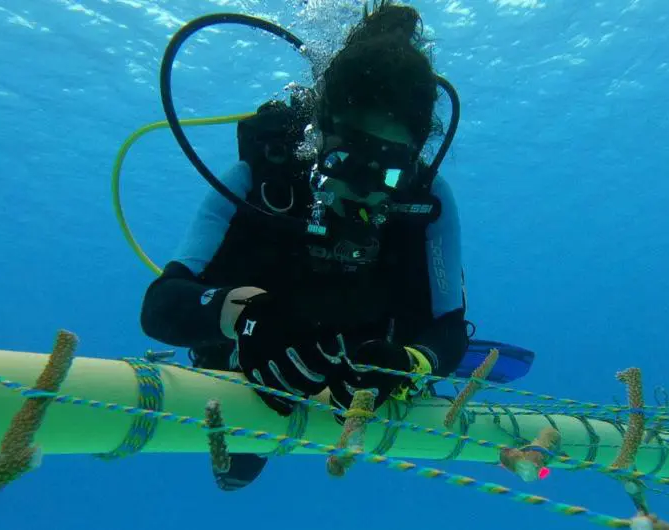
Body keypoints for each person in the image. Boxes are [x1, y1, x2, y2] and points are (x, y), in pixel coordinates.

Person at [140, 1, 467, 492]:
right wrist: (241, 312)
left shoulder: (429, 203)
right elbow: (162, 305)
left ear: (415, 161)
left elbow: (449, 332)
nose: (361, 189)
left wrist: (409, 364)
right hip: (248, 367)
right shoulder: (259, 179)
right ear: (319, 134)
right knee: (234, 472)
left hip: (359, 373)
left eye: (388, 171)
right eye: (346, 159)